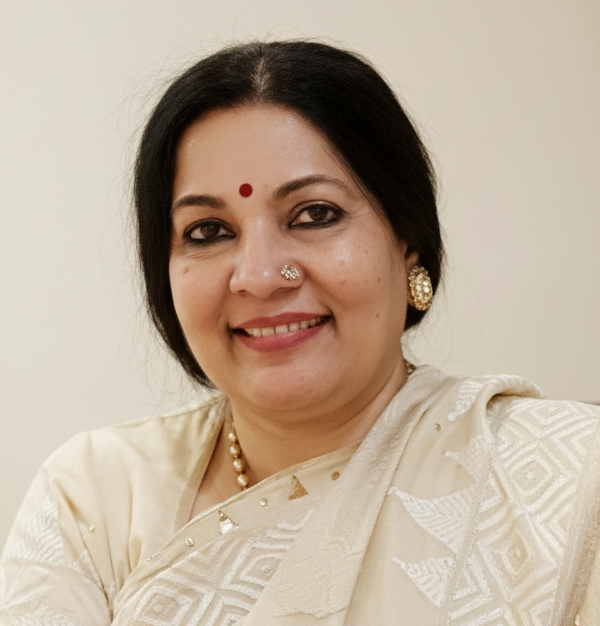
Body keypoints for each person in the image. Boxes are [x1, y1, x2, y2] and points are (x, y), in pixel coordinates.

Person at [1, 40, 599, 626]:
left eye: (315, 215)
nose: (260, 277)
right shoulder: (97, 498)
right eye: (209, 231)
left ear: (407, 240)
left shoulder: (575, 481)